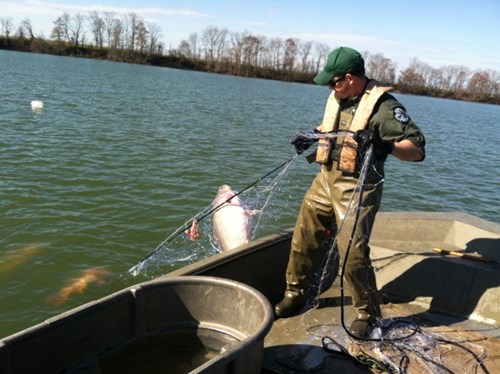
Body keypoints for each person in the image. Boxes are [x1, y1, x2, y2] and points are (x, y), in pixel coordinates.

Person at [275, 46, 426, 338]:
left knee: (353, 254)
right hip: (324, 180)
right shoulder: (339, 97)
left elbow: (417, 150)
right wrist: (311, 137)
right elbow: (334, 129)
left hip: (357, 186)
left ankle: (367, 314)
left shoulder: (384, 107)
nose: (330, 88)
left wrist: (386, 146)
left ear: (350, 78)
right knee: (302, 239)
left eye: (333, 82)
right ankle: (294, 294)